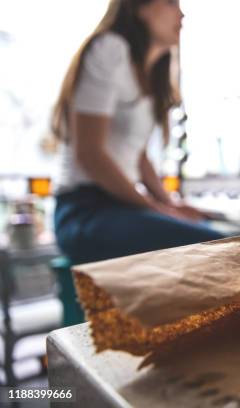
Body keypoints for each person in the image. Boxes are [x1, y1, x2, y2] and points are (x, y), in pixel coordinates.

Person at [51, 0, 224, 265]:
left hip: (119, 207)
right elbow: (90, 154)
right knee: (212, 247)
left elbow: (139, 157)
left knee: (222, 239)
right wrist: (159, 209)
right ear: (139, 6)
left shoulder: (149, 74)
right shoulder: (109, 48)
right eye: (170, 3)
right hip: (84, 212)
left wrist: (172, 205)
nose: (182, 13)